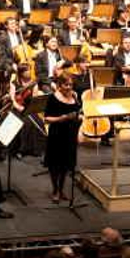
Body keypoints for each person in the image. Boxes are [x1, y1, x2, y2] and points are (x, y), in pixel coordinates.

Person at [43, 74, 82, 204]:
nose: (69, 88)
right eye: (66, 85)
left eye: (71, 85)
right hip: (57, 134)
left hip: (70, 134)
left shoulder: (75, 96)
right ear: (59, 85)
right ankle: (55, 190)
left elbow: (78, 112)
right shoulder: (53, 98)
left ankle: (61, 189)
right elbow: (47, 118)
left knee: (66, 164)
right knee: (55, 164)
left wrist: (79, 119)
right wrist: (62, 118)